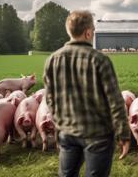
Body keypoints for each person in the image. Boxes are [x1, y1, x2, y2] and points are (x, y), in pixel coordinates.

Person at [43, 10, 130, 177]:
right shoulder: (99, 60)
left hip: (67, 131)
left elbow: (50, 99)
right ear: (88, 32)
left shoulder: (53, 60)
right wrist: (123, 134)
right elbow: (115, 102)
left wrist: (60, 126)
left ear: (69, 31)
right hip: (98, 135)